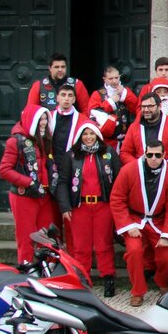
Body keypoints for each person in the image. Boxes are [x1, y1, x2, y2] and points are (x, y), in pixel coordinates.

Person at [110, 139, 168, 307]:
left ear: (164, 155)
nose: (154, 158)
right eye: (150, 155)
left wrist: (167, 234)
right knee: (134, 251)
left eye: (158, 155)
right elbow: (117, 199)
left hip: (158, 220)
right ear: (144, 154)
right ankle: (137, 291)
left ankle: (161, 279)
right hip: (134, 220)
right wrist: (128, 226)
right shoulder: (129, 170)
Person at [56, 121, 120, 296]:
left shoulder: (108, 153)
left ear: (97, 135)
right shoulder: (71, 156)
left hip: (103, 205)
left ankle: (108, 277)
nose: (89, 137)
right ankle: (82, 280)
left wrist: (117, 205)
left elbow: (119, 179)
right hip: (80, 206)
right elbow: (63, 182)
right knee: (81, 246)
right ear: (79, 137)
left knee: (104, 244)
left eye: (92, 134)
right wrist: (65, 206)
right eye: (85, 134)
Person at [0, 105, 54, 262]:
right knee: (26, 238)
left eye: (45, 119)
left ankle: (47, 273)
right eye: (40, 119)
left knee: (46, 237)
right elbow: (4, 170)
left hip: (44, 195)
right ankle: (27, 273)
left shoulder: (44, 139)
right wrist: (29, 182)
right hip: (24, 196)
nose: (43, 123)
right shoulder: (14, 141)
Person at [87, 65, 139, 151]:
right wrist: (111, 102)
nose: (114, 81)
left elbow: (136, 108)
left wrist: (125, 95)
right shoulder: (97, 94)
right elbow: (93, 114)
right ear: (104, 79)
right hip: (106, 142)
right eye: (111, 79)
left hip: (126, 141)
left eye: (116, 78)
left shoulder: (126, 91)